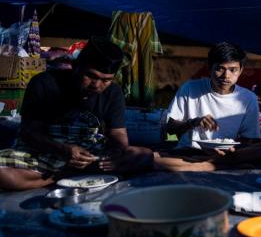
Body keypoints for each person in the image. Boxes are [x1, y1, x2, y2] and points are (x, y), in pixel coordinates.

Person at [0, 37, 214, 190]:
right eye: (91, 76)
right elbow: (29, 133)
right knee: (4, 174)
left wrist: (117, 152)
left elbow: (118, 134)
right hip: (44, 150)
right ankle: (63, 176)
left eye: (106, 79)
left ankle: (60, 176)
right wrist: (63, 150)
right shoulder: (44, 83)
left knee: (143, 155)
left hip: (87, 153)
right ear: (76, 67)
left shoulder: (113, 92)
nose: (97, 85)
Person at [166, 42, 261, 166]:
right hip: (192, 152)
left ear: (241, 70)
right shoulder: (189, 89)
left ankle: (213, 163)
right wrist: (193, 122)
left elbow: (251, 139)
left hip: (230, 154)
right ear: (210, 68)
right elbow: (169, 129)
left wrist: (233, 148)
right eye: (219, 69)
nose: (226, 76)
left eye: (233, 70)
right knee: (149, 156)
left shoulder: (248, 98)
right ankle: (214, 164)